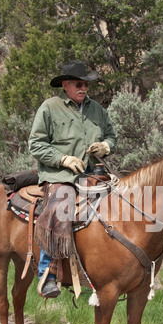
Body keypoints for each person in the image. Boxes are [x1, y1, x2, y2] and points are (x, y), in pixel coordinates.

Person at [28, 60, 117, 298]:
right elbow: (35, 144)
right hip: (60, 175)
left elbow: (112, 136)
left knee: (122, 204)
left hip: (94, 173)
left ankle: (106, 268)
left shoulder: (97, 109)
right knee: (61, 205)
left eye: (86, 84)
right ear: (65, 85)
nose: (84, 88)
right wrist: (63, 159)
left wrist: (105, 146)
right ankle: (48, 273)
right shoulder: (49, 107)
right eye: (79, 83)